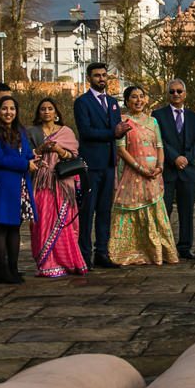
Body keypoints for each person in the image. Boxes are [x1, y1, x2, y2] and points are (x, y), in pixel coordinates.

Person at [110, 85, 179, 266]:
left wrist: (160, 167)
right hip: (133, 174)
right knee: (132, 209)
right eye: (134, 97)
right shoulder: (123, 122)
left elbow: (159, 147)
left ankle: (157, 253)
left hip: (154, 174)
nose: (138, 100)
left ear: (146, 99)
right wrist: (140, 168)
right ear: (126, 101)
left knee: (155, 210)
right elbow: (121, 149)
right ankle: (129, 253)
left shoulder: (153, 121)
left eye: (141, 96)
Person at [27, 97, 88, 278]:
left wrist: (59, 150)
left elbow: (73, 155)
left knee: (64, 223)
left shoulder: (66, 132)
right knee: (40, 222)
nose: (46, 111)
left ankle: (67, 261)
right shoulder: (32, 132)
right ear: (39, 113)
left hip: (62, 182)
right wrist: (41, 148)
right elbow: (27, 154)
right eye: (43, 109)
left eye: (50, 108)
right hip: (41, 181)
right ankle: (47, 263)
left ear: (56, 113)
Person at [73, 61, 122, 268]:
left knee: (104, 210)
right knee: (88, 210)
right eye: (97, 76)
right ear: (89, 79)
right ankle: (84, 254)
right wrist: (112, 133)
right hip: (91, 165)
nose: (101, 79)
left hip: (109, 163)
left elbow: (118, 129)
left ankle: (102, 252)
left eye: (104, 75)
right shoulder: (82, 102)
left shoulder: (112, 102)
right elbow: (86, 132)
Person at [0, 93, 33, 284]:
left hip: (20, 184)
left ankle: (14, 267)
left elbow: (27, 153)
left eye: (12, 109)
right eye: (4, 108)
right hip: (3, 184)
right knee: (2, 226)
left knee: (15, 226)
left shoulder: (20, 129)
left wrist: (29, 160)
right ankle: (1, 268)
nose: (8, 112)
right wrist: (24, 164)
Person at [155, 79, 195, 261]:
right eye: (172, 92)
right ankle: (165, 247)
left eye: (179, 91)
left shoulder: (193, 117)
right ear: (167, 94)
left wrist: (186, 158)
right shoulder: (158, 115)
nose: (175, 94)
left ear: (185, 94)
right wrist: (174, 157)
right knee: (165, 210)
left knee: (187, 211)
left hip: (187, 171)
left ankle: (185, 247)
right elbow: (159, 140)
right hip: (168, 170)